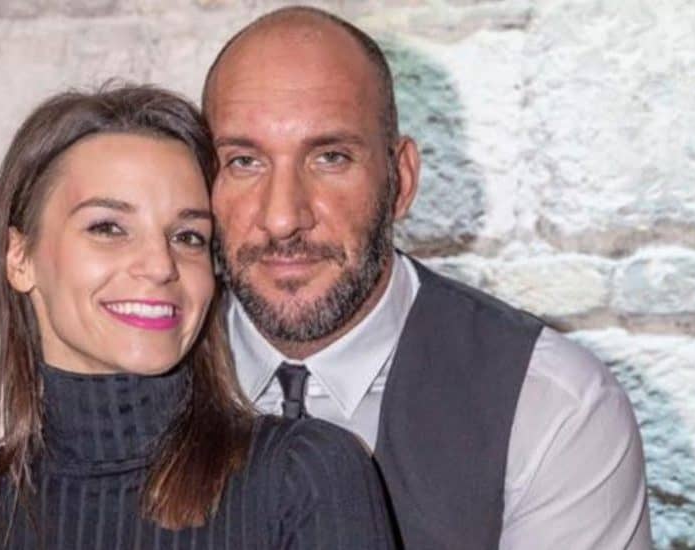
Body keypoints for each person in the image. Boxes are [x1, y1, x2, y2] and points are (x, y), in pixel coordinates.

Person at [202, 6, 653, 549]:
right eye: (244, 162)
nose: (282, 218)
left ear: (401, 180)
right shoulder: (136, 375)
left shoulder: (553, 408)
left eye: (330, 158)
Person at [0, 84, 395, 549]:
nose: (160, 265)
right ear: (20, 257)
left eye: (188, 236)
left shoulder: (304, 476)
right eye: (108, 228)